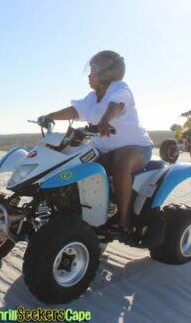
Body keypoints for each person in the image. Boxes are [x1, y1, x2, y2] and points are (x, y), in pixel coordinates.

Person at [38, 50, 153, 241]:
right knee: (72, 162)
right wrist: (50, 116)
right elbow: (76, 110)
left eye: (93, 71)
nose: (89, 75)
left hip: (134, 147)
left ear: (107, 73)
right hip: (102, 148)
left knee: (121, 165)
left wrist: (105, 121)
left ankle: (124, 222)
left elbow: (116, 106)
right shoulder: (93, 97)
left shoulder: (120, 89)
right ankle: (77, 213)